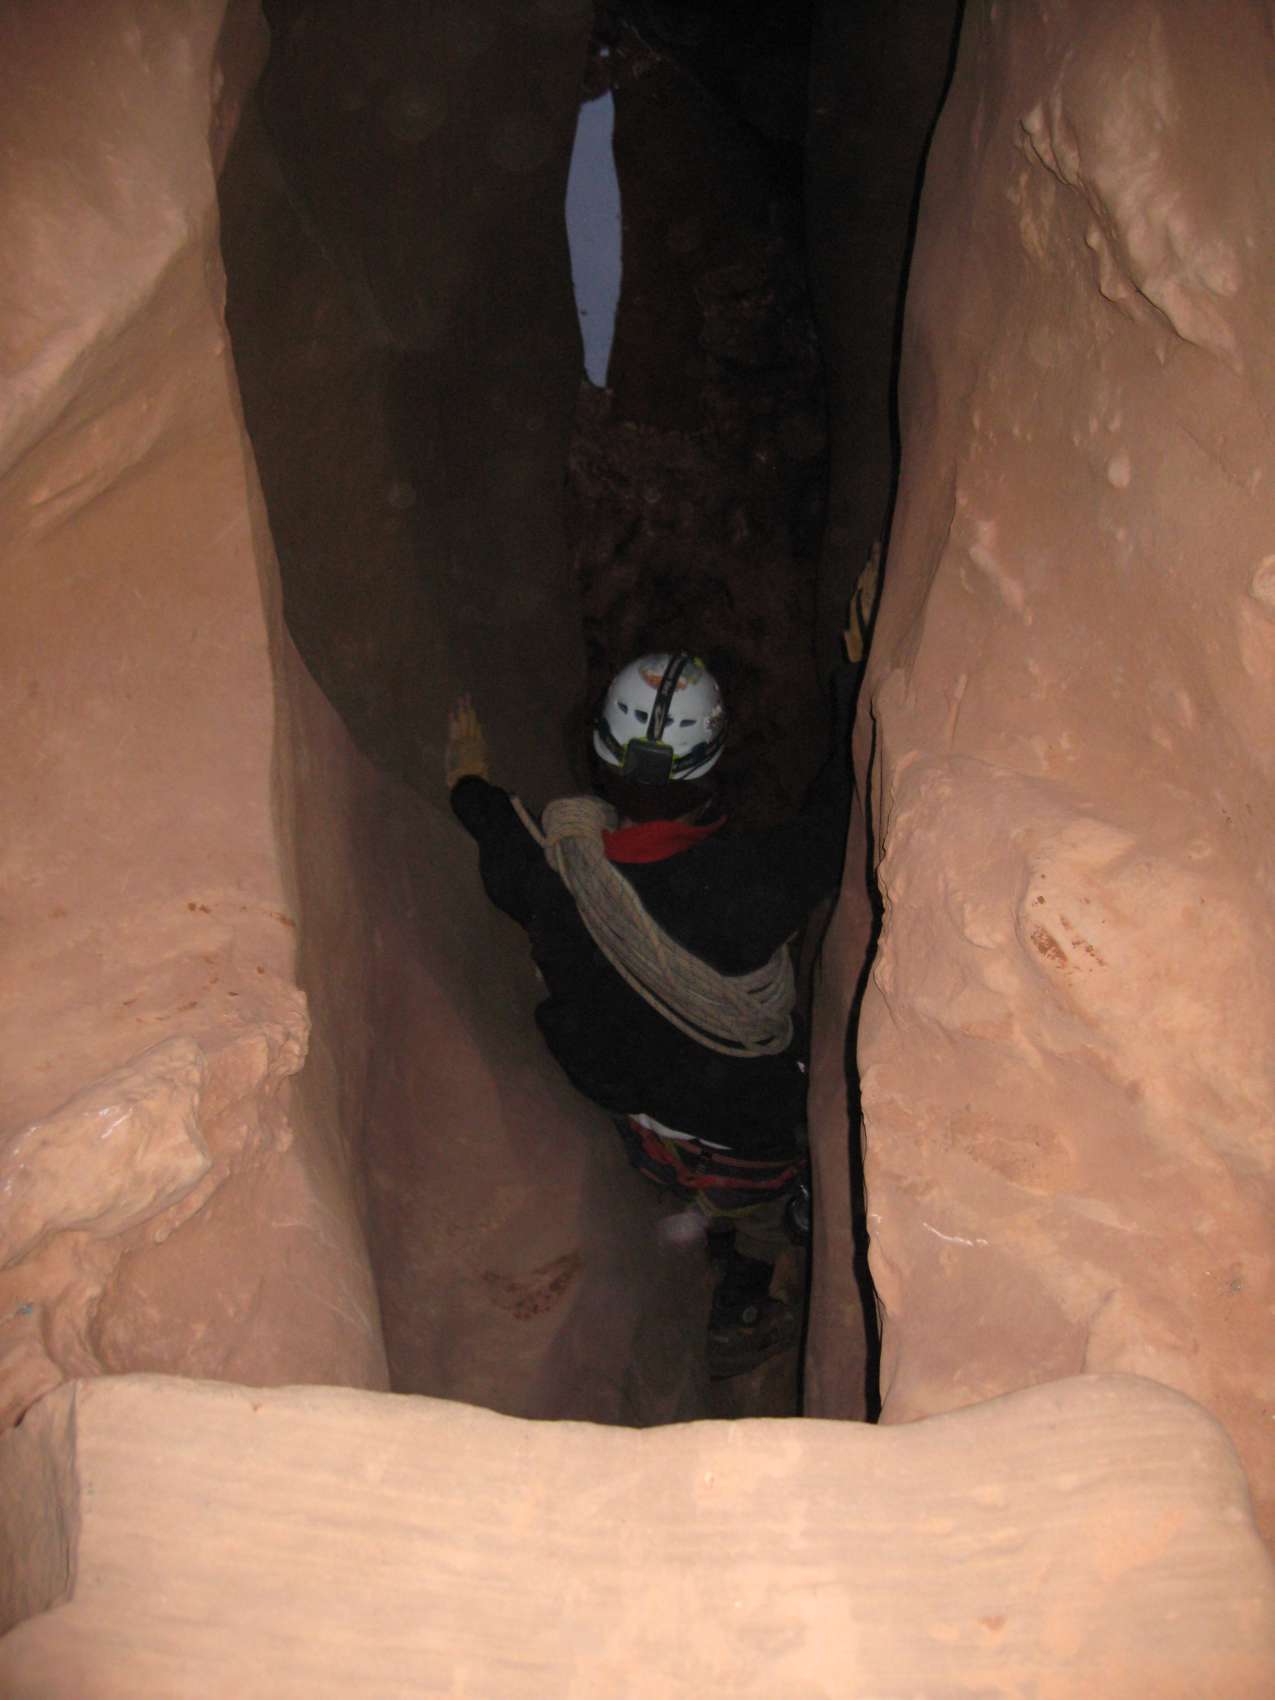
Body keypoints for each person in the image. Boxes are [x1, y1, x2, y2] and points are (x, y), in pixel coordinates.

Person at [445, 651, 852, 1377]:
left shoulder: (558, 875)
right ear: (711, 766)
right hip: (742, 1134)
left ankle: (701, 1217)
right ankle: (741, 1298)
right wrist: (854, 686)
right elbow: (834, 821)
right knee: (773, 1177)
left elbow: (500, 834)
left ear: (602, 761)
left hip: (638, 1121)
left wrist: (467, 783)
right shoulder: (751, 884)